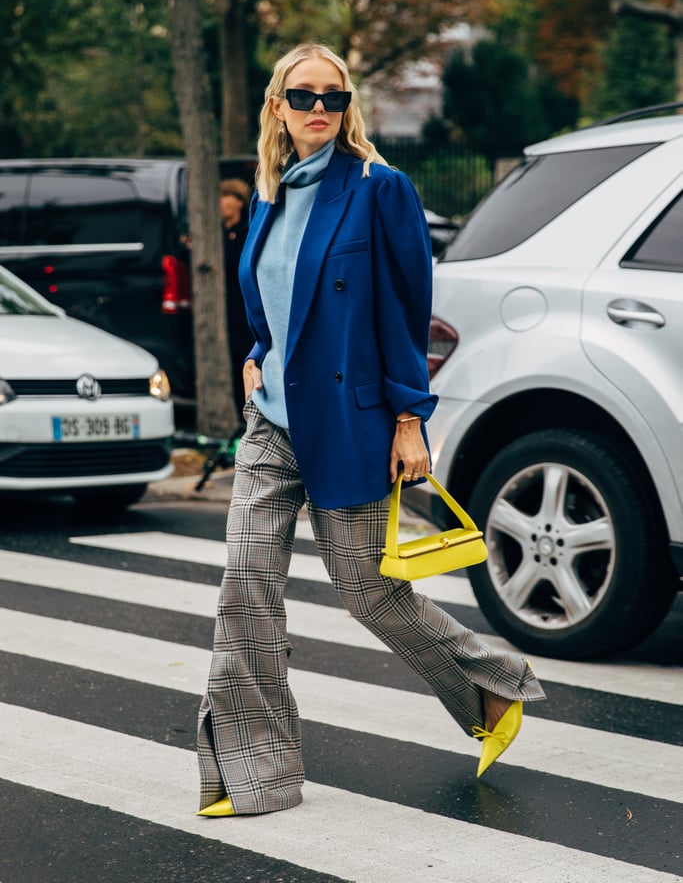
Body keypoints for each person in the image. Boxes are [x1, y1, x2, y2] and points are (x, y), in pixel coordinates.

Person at [196, 42, 546, 817]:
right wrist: (257, 354)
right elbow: (271, 309)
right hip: (272, 424)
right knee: (244, 589)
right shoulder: (267, 194)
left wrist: (409, 418)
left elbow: (402, 311)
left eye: (333, 96)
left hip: (351, 423)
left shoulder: (378, 189)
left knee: (368, 593)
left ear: (347, 106)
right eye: (301, 96)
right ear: (276, 107)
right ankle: (254, 773)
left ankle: (490, 686)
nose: (317, 109)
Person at [219, 177, 253, 423]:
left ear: (239, 202)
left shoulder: (246, 232)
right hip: (225, 309)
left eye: (225, 197)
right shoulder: (221, 233)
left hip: (242, 310)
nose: (220, 203)